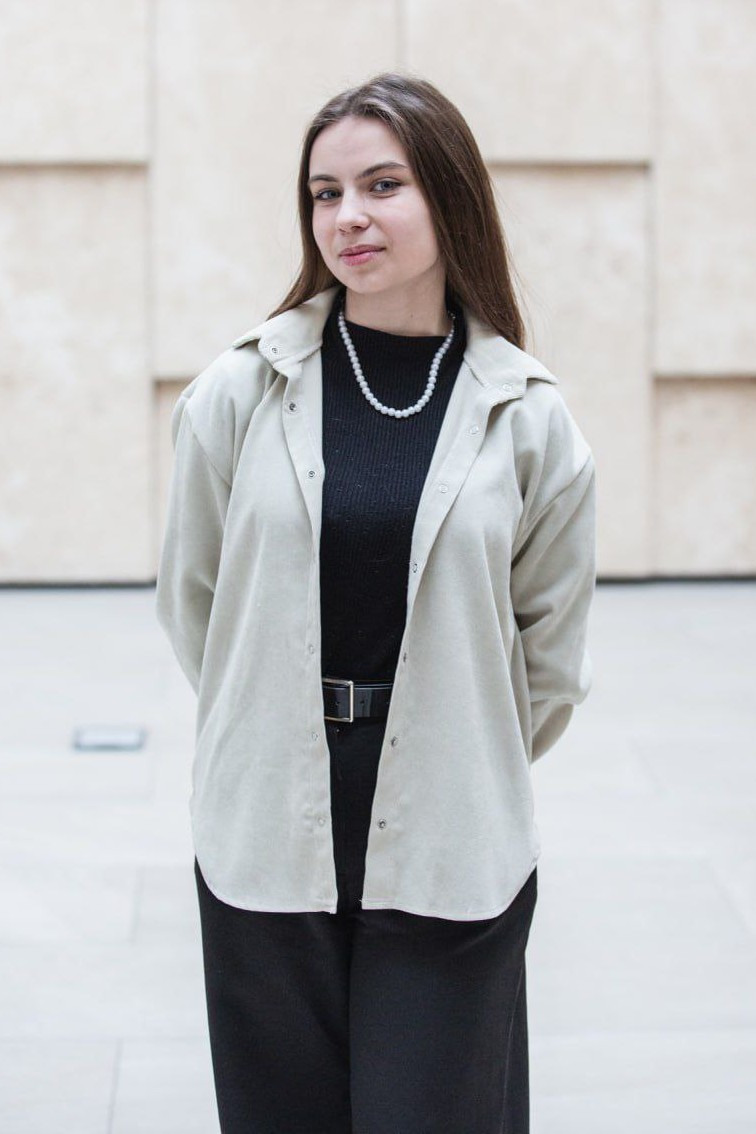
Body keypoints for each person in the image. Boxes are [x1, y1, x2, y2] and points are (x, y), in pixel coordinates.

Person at [156, 71, 596, 1134]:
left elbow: (548, 656)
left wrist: (467, 746)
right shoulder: (239, 390)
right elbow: (197, 601)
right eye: (325, 193)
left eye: (382, 185)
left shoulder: (528, 417)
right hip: (268, 818)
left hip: (452, 825)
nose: (347, 216)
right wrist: (260, 720)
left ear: (450, 197)